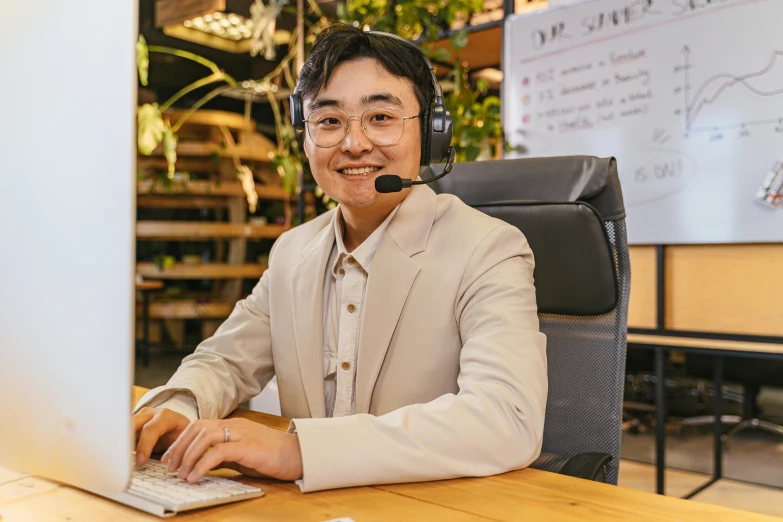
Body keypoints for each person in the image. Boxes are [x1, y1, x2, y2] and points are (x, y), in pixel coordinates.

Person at [133, 24, 547, 493]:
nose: (354, 144)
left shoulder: (489, 249)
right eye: (329, 121)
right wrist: (179, 406)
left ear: (432, 134)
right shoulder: (293, 251)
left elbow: (507, 418)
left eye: (381, 117)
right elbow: (226, 360)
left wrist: (299, 451)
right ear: (304, 138)